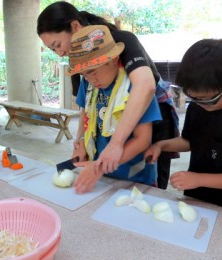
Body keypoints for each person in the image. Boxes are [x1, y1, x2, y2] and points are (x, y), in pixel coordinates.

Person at [144, 39, 222, 246]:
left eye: (208, 99)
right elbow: (190, 141)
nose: (200, 104)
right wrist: (162, 145)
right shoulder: (199, 107)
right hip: (200, 198)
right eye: (192, 97)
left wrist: (199, 178)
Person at [37, 1, 179, 190]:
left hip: (149, 112)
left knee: (150, 177)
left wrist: (116, 144)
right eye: (53, 50)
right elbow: (86, 109)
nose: (60, 53)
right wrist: (81, 142)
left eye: (58, 45)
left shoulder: (121, 41)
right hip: (108, 135)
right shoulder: (83, 67)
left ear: (75, 26)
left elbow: (145, 87)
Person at [66, 25, 162, 194]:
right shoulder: (88, 84)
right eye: (84, 74)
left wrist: (99, 167)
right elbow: (85, 113)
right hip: (102, 177)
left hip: (135, 178)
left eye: (93, 71)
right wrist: (80, 141)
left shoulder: (134, 87)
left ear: (113, 59)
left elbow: (143, 140)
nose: (90, 79)